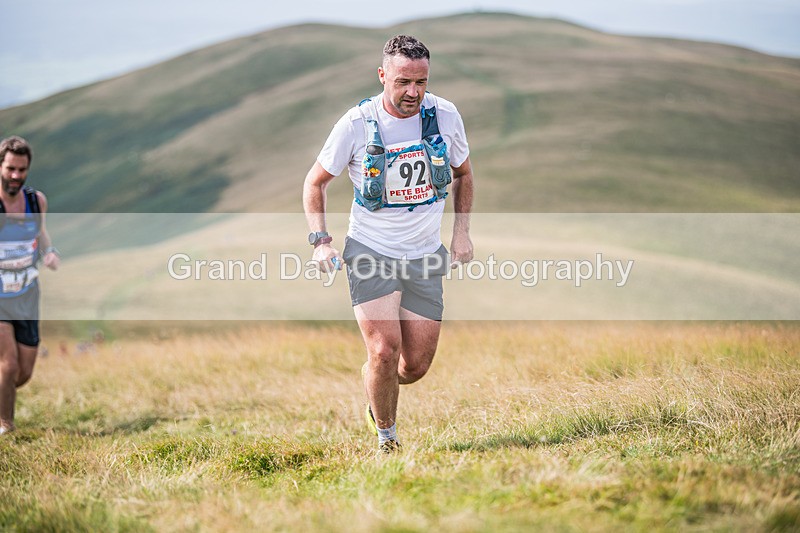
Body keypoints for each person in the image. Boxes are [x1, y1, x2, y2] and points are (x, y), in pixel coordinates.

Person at [303, 35, 474, 453]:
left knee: (413, 367)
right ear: (382, 76)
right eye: (403, 82)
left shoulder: (445, 115)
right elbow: (315, 183)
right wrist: (321, 241)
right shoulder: (355, 124)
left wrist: (461, 232)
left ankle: (375, 387)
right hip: (371, 250)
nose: (413, 92)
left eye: (421, 82)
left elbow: (463, 174)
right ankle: (387, 440)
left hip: (424, 255)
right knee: (383, 351)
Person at [0, 136, 60, 435]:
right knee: (8, 364)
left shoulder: (36, 201)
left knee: (22, 374)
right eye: (10, 168)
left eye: (21, 170)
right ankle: (5, 425)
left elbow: (42, 234)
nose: (15, 175)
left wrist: (49, 252)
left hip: (26, 293)